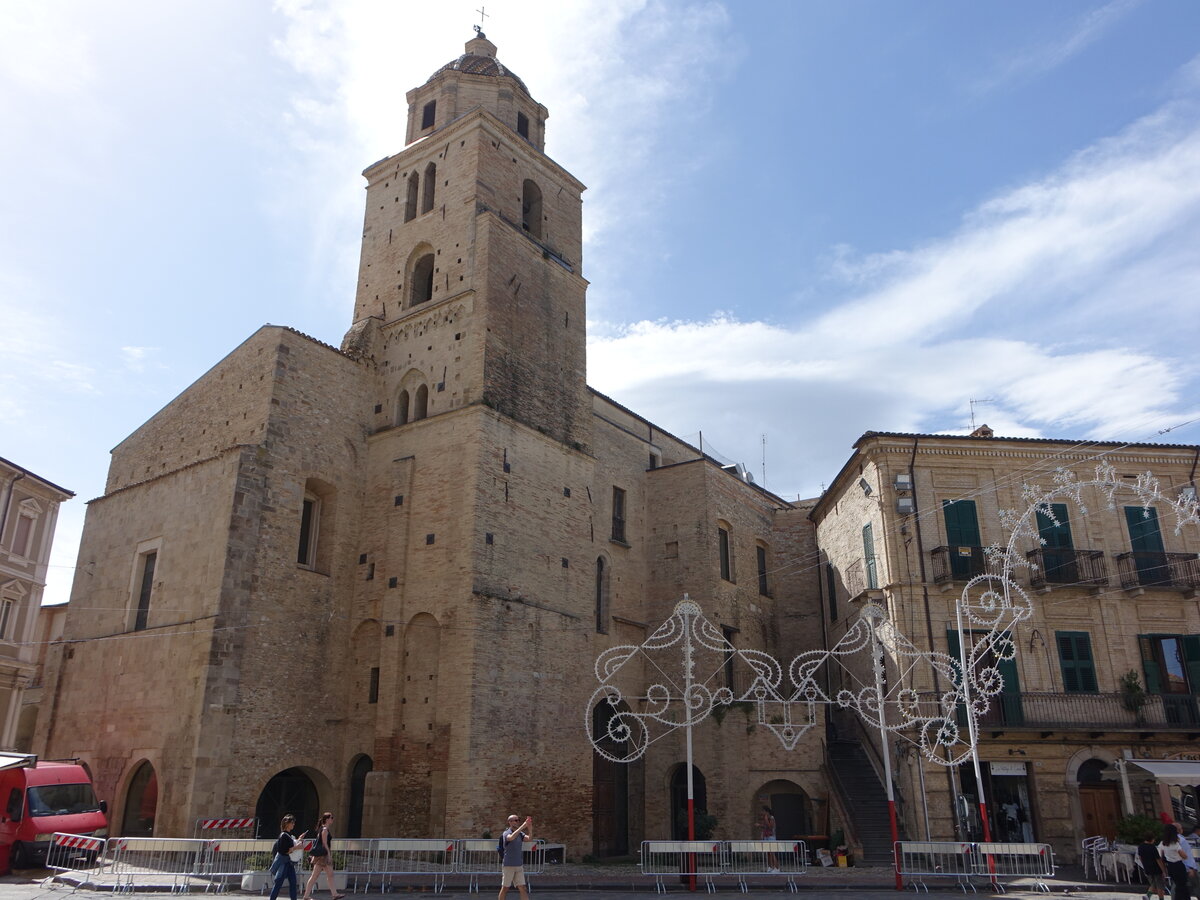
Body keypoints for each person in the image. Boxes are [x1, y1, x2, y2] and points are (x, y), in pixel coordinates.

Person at [302, 812, 344, 900]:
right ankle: (334, 894)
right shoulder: (324, 830)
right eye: (331, 817)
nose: (332, 819)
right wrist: (329, 855)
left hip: (321, 856)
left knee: (320, 875)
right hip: (323, 856)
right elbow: (325, 844)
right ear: (327, 819)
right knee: (325, 875)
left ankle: (307, 895)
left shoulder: (323, 829)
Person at [268, 814, 307, 900]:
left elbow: (291, 845)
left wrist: (299, 839)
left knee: (292, 882)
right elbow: (285, 850)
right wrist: (297, 847)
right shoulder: (284, 836)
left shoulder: (288, 835)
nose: (293, 824)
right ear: (287, 824)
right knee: (279, 882)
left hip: (289, 862)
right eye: (292, 822)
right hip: (284, 862)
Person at [498, 813, 533, 900]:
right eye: (515, 820)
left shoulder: (520, 833)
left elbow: (529, 839)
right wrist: (523, 826)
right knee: (505, 888)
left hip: (519, 865)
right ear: (510, 822)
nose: (517, 822)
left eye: (518, 820)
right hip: (509, 865)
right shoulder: (506, 833)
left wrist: (529, 827)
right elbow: (511, 838)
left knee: (522, 888)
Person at [1159, 823, 1194, 900]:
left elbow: (1161, 857)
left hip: (1170, 866)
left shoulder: (1163, 843)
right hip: (1178, 865)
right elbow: (1184, 856)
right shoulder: (1175, 844)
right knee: (1183, 885)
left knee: (1177, 884)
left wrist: (1164, 870)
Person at [1138, 831, 1166, 900]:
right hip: (1156, 868)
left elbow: (1140, 857)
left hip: (1147, 867)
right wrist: (1163, 870)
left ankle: (1148, 896)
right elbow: (1158, 860)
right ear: (1152, 839)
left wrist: (1144, 865)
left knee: (1153, 883)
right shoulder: (1153, 848)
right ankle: (1161, 898)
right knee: (1159, 885)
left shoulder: (1140, 846)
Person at [759, 806, 779, 873]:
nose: (762, 812)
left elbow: (771, 827)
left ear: (766, 811)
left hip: (771, 837)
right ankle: (770, 867)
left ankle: (776, 868)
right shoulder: (765, 818)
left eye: (763, 811)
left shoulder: (771, 818)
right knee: (768, 853)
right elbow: (765, 827)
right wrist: (759, 826)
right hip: (766, 836)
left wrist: (766, 820)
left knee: (772, 852)